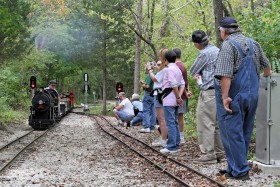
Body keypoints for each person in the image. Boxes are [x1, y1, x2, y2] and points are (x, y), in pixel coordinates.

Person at [214, 17, 271, 180]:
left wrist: (225, 97)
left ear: (223, 31)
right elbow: (267, 69)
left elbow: (225, 75)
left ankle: (240, 171)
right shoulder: (254, 44)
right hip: (252, 96)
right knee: (244, 132)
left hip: (233, 97)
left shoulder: (228, 45)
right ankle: (234, 167)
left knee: (231, 132)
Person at [189, 30, 224, 164]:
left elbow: (193, 70)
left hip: (208, 92)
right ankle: (220, 153)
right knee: (217, 123)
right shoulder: (216, 49)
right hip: (220, 90)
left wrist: (199, 75)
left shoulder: (204, 53)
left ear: (197, 44)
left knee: (206, 122)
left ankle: (208, 153)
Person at [159, 50, 185, 154]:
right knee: (174, 122)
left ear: (165, 60)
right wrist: (179, 96)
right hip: (175, 99)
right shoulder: (177, 69)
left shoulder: (169, 70)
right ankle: (176, 144)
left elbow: (173, 84)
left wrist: (178, 97)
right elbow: (182, 84)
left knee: (170, 122)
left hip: (169, 99)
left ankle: (171, 146)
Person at [146, 48, 168, 147]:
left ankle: (164, 139)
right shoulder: (165, 69)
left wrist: (150, 70)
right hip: (160, 94)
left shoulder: (165, 69)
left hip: (159, 94)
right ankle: (164, 138)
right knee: (161, 118)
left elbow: (155, 79)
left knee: (161, 119)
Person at [173, 48, 192, 144]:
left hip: (177, 95)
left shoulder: (175, 67)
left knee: (175, 116)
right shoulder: (183, 66)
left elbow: (180, 83)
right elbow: (186, 82)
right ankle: (181, 136)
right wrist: (187, 91)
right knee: (180, 116)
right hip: (183, 95)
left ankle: (178, 137)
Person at [139, 65, 156, 133]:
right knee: (153, 112)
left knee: (146, 111)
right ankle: (152, 127)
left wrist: (141, 84)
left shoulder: (149, 76)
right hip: (154, 95)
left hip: (148, 94)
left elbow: (147, 86)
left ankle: (146, 127)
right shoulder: (155, 75)